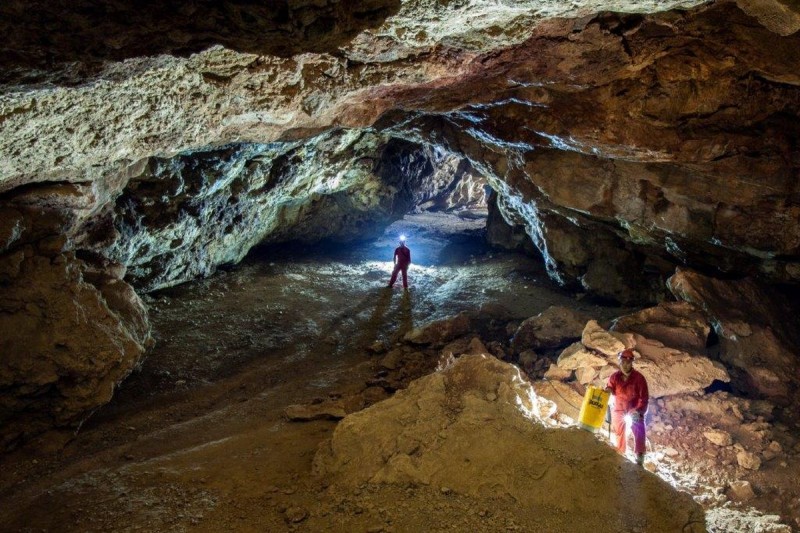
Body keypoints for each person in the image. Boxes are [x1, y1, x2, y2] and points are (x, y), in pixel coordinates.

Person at [605, 348, 649, 465]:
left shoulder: (639, 378)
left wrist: (639, 411)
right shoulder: (615, 377)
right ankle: (620, 453)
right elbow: (610, 387)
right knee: (618, 431)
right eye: (623, 362)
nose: (625, 365)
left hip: (633, 408)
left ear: (631, 363)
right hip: (619, 408)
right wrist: (608, 391)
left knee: (638, 426)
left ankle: (640, 456)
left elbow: (644, 398)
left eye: (628, 363)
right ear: (619, 362)